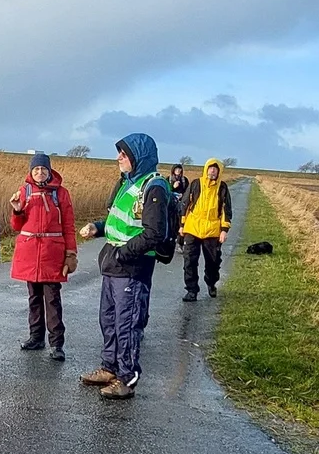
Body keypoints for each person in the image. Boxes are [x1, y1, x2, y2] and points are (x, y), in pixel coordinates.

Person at [77, 133, 175, 400]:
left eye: (124, 153)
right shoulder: (128, 183)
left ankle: (127, 378)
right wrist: (97, 228)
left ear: (138, 157)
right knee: (108, 320)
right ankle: (109, 368)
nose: (119, 157)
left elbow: (154, 232)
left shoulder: (153, 186)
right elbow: (118, 219)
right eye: (119, 152)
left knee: (127, 325)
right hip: (114, 264)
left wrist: (124, 254)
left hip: (132, 267)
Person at [9, 153, 76, 362]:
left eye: (43, 169)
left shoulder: (61, 194)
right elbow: (16, 226)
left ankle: (57, 344)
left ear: (49, 171)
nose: (39, 173)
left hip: (52, 253)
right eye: (36, 169)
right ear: (31, 171)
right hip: (30, 253)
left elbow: (68, 226)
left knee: (52, 298)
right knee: (34, 298)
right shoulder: (24, 191)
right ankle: (36, 337)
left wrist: (71, 254)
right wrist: (17, 211)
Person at [180, 158, 233, 302]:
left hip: (213, 230)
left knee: (213, 262)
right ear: (206, 169)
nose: (212, 171)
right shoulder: (196, 184)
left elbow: (226, 210)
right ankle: (191, 291)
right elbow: (185, 204)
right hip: (193, 227)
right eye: (210, 168)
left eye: (215, 169)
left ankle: (211, 283)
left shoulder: (222, 188)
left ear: (219, 172)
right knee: (189, 261)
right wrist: (182, 225)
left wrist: (224, 230)